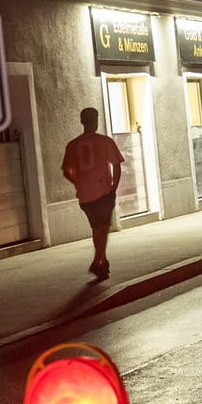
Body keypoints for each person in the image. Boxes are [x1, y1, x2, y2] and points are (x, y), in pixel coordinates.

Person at [61, 107, 124, 280]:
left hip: (85, 195)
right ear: (96, 121)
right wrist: (114, 187)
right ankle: (97, 261)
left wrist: (78, 183)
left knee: (97, 229)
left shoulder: (72, 145)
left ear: (82, 122)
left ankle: (103, 261)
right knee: (102, 228)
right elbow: (117, 166)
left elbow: (67, 171)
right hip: (103, 192)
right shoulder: (105, 142)